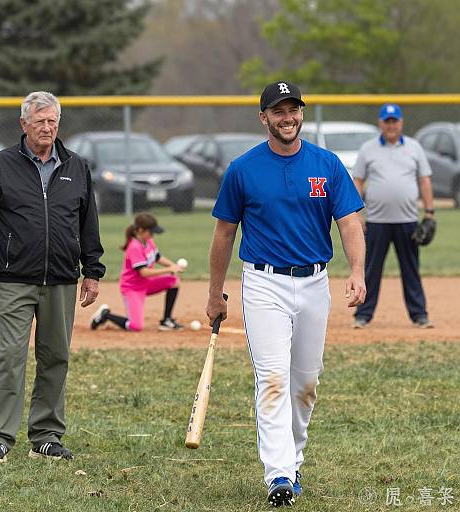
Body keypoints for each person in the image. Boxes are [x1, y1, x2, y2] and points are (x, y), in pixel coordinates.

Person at [205, 81, 366, 507]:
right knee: (273, 379)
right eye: (278, 111)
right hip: (264, 283)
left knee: (306, 382)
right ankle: (278, 474)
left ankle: (293, 460)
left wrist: (359, 271)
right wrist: (214, 292)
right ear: (264, 118)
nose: (288, 117)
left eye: (293, 109)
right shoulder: (243, 169)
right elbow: (224, 234)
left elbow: (349, 223)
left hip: (315, 282)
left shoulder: (327, 164)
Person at [0, 91, 106, 463]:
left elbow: (88, 224)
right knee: (9, 357)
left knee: (55, 357)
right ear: (24, 124)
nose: (47, 128)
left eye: (52, 122)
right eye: (40, 121)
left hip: (61, 279)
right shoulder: (0, 165)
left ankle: (46, 435)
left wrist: (92, 271)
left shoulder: (76, 167)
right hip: (14, 279)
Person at [351, 103, 435, 329]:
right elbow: (357, 181)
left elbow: (424, 180)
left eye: (394, 121)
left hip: (407, 221)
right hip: (376, 221)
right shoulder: (368, 149)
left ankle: (419, 315)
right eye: (386, 121)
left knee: (411, 270)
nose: (390, 125)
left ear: (401, 122)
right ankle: (363, 314)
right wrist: (357, 213)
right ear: (380, 123)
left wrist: (429, 212)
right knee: (371, 270)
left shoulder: (414, 147)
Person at [91, 212, 185, 332]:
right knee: (135, 326)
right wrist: (169, 269)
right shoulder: (134, 247)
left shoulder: (148, 241)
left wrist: (173, 265)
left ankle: (166, 321)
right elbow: (143, 272)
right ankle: (105, 315)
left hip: (147, 283)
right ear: (140, 230)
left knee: (174, 282)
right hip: (132, 288)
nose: (152, 235)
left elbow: (157, 257)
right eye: (151, 232)